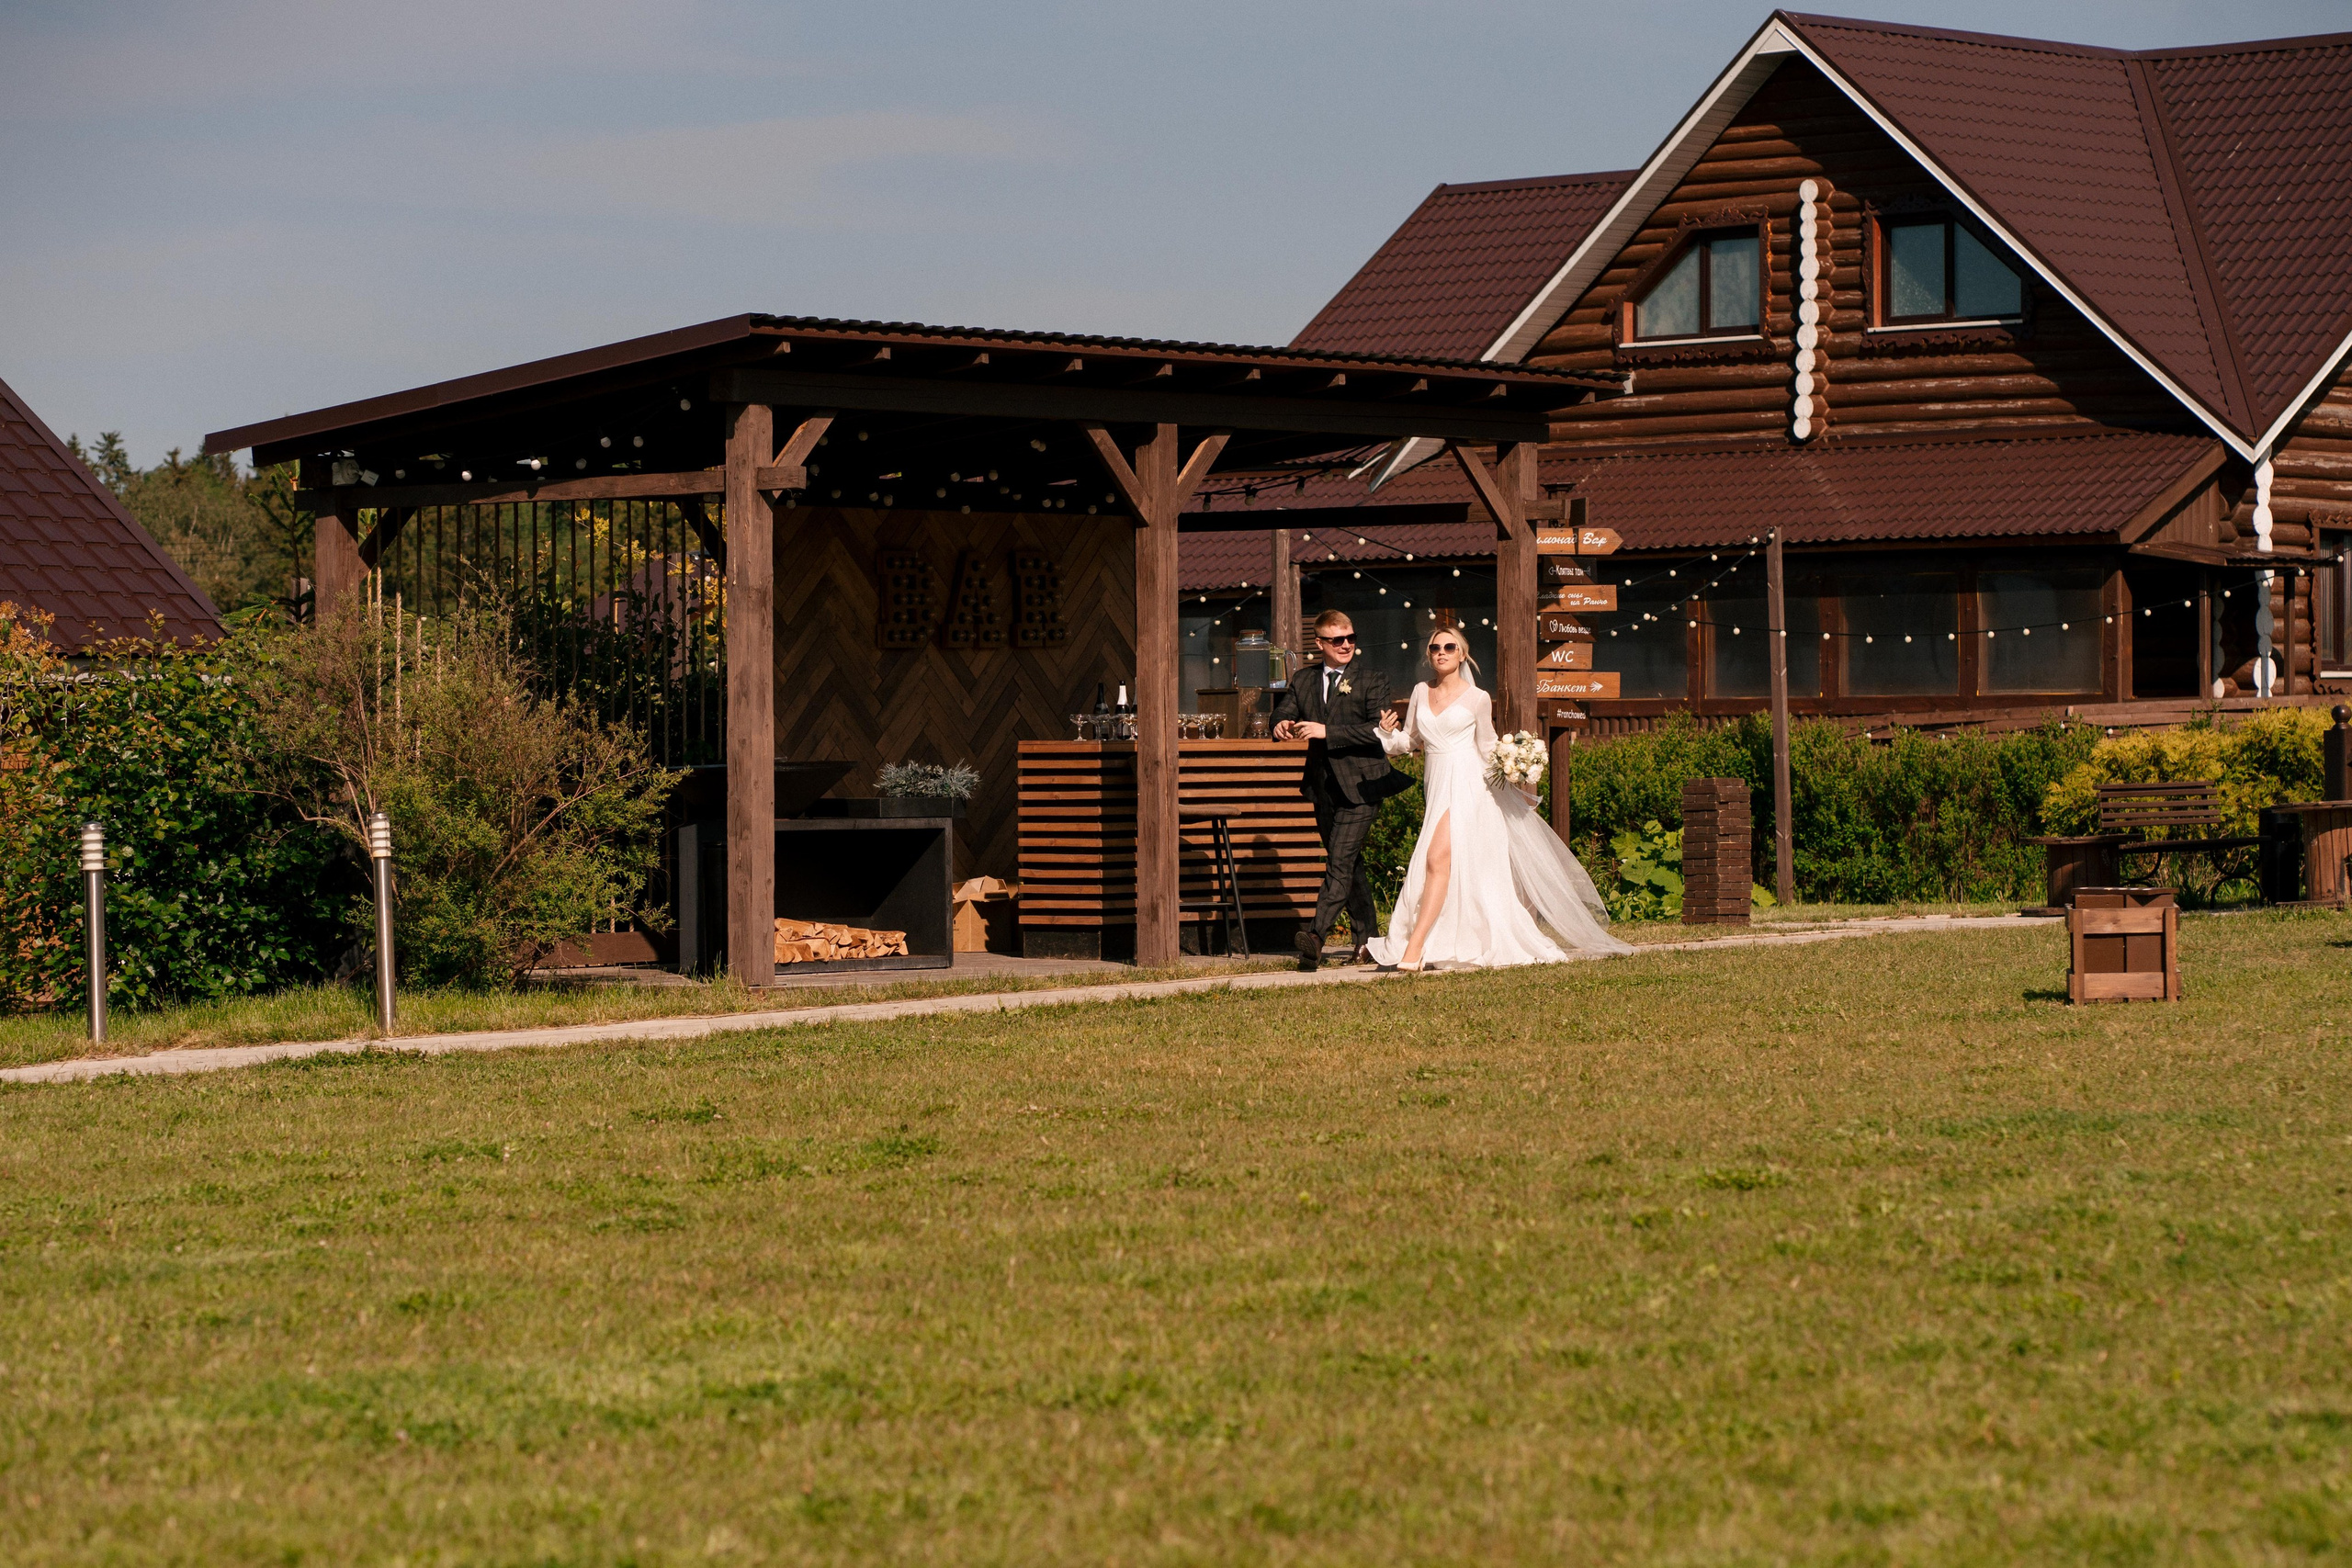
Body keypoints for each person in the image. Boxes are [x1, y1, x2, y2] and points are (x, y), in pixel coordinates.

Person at [1364, 626, 1631, 970]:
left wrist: (1518, 759)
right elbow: (1411, 741)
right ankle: (1442, 940)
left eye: (1449, 647)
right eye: (1435, 648)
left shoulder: (1477, 698)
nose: (1441, 652)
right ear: (1429, 655)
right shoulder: (1419, 691)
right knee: (1443, 864)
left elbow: (1488, 747)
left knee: (1435, 858)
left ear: (1462, 654)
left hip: (1470, 787)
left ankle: (1413, 950)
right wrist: (1388, 734)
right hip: (1437, 785)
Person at [1272, 610, 1411, 970]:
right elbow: (1282, 710)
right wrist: (1282, 724)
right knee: (1350, 864)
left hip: (1363, 785)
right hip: (1322, 788)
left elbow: (1378, 730)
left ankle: (1315, 937)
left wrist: (1326, 732)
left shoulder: (1372, 679)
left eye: (1350, 637)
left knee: (1339, 861)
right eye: (1337, 639)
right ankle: (1367, 942)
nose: (1346, 644)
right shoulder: (1303, 680)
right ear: (1320, 644)